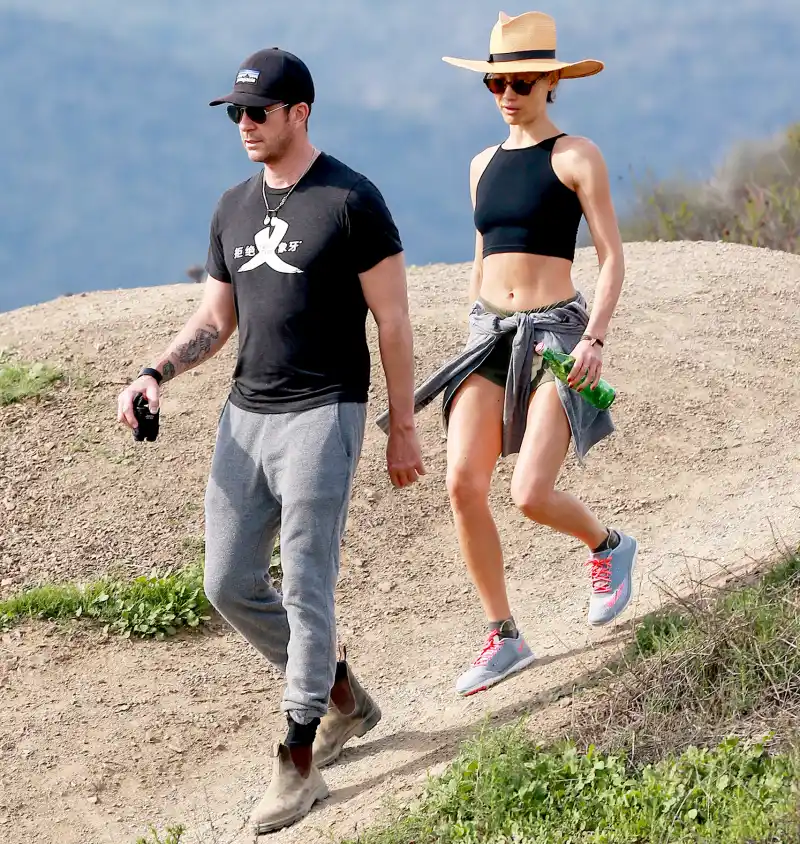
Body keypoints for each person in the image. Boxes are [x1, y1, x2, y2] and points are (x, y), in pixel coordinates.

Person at [116, 47, 425, 834]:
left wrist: (402, 427)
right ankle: (344, 698)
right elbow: (216, 320)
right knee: (226, 582)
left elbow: (391, 319)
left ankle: (297, 763)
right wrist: (156, 371)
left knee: (308, 582)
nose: (245, 125)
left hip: (326, 410)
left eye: (258, 112)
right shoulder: (232, 207)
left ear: (300, 113)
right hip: (245, 413)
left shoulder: (354, 200)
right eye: (236, 114)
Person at [378, 11, 638, 697]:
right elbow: (480, 260)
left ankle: (608, 546)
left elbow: (612, 257)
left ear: (551, 81)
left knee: (529, 492)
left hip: (556, 333)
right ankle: (505, 636)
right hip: (488, 335)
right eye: (496, 81)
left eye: (521, 80)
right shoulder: (480, 166)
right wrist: (472, 329)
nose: (507, 93)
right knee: (462, 484)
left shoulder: (575, 156)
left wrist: (597, 337)